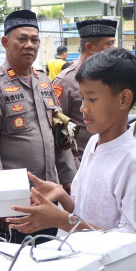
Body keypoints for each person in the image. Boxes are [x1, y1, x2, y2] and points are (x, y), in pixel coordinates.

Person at [6, 48, 136, 236]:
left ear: (123, 99)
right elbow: (81, 214)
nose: (83, 108)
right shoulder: (93, 144)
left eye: (92, 99)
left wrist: (61, 220)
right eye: (83, 98)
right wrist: (61, 195)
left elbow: (131, 239)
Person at [0, 10, 76, 242]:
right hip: (16, 205)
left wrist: (69, 180)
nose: (30, 45)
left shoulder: (44, 81)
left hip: (49, 197)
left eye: (34, 40)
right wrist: (0, 201)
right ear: (5, 42)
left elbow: (61, 131)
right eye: (22, 39)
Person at [53, 19, 117, 163]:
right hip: (82, 164)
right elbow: (57, 132)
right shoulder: (66, 82)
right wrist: (72, 172)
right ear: (90, 48)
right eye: (110, 43)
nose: (114, 48)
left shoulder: (109, 76)